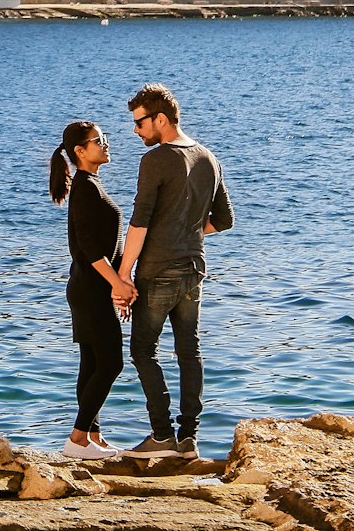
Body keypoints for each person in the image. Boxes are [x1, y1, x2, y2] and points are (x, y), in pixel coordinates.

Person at [115, 83, 233, 460]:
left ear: (160, 119)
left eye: (140, 123)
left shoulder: (157, 159)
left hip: (159, 269)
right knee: (189, 350)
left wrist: (123, 273)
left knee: (142, 350)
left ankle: (162, 435)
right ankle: (189, 440)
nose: (136, 131)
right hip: (194, 267)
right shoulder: (208, 157)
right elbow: (225, 220)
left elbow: (139, 222)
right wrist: (187, 231)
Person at [48, 120, 137, 458]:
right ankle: (77, 437)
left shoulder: (90, 184)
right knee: (111, 363)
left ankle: (91, 437)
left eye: (105, 138)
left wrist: (117, 283)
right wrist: (117, 283)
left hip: (91, 288)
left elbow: (101, 247)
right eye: (99, 140)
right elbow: (86, 246)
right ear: (80, 151)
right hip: (90, 289)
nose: (106, 144)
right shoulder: (85, 187)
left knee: (92, 363)